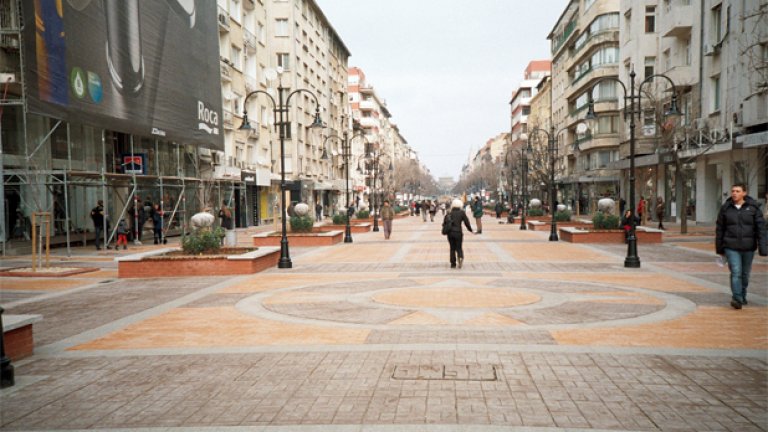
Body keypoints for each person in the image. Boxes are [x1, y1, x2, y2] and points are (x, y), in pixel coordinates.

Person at [716, 183, 767, 309]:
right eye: (733, 191)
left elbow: (761, 229)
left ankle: (742, 294)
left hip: (748, 247)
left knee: (745, 274)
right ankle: (737, 298)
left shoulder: (753, 208)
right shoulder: (726, 208)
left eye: (738, 191)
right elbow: (720, 229)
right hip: (730, 246)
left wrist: (763, 248)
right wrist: (720, 248)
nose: (734, 193)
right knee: (736, 272)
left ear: (744, 193)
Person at [443, 198, 473, 268]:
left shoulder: (449, 212)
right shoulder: (462, 213)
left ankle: (453, 263)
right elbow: (466, 222)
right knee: (459, 247)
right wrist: (470, 230)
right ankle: (460, 257)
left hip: (450, 233)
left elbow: (444, 223)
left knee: (452, 248)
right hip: (458, 232)